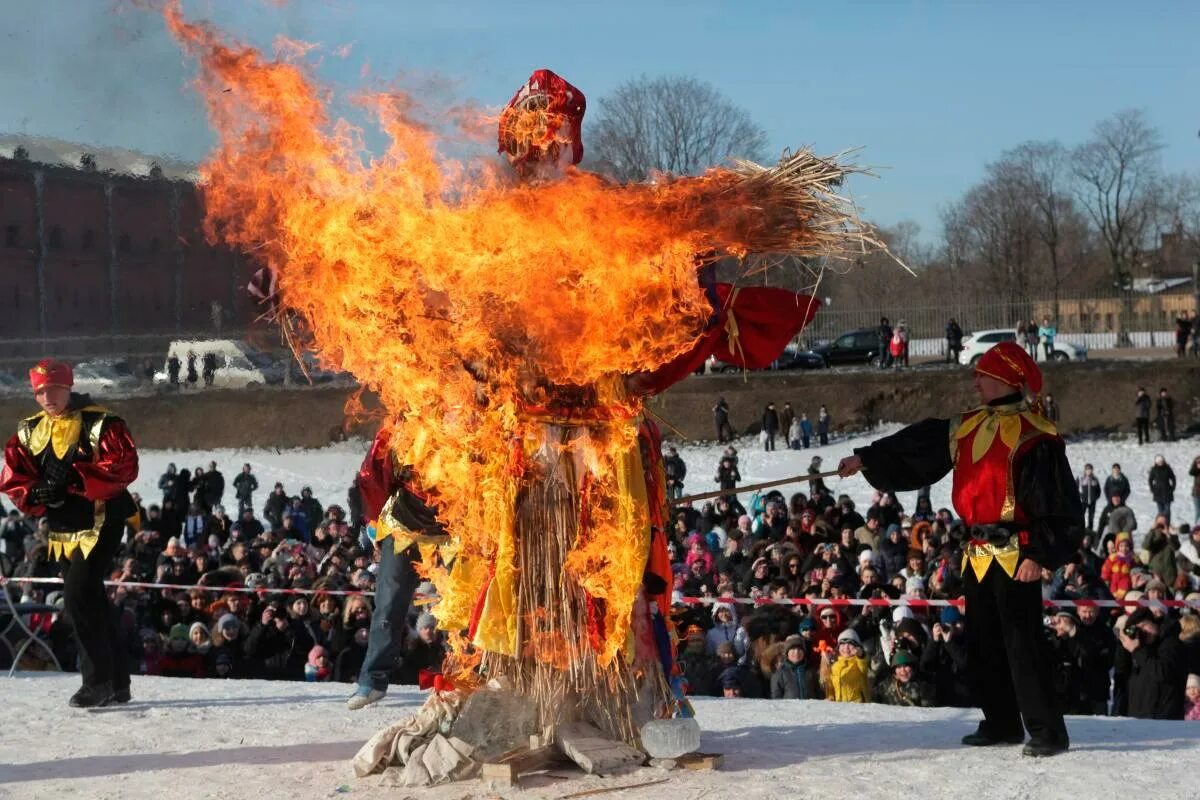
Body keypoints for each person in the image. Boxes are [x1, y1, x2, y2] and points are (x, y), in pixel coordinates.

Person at [839, 341, 1080, 757]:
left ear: (1004, 379)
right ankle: (1000, 722)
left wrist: (1039, 555)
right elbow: (918, 445)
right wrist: (867, 458)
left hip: (1016, 552)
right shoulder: (965, 426)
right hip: (977, 552)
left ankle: (1046, 731)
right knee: (984, 642)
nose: (976, 380)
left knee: (1023, 644)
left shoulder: (1034, 435)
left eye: (983, 374)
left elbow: (1055, 502)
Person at [0, 359, 139, 707]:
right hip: (63, 530)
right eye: (41, 391)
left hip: (101, 520)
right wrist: (36, 492)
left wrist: (76, 480)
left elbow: (123, 466)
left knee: (77, 594)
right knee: (91, 597)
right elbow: (15, 476)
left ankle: (97, 682)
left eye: (54, 389)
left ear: (68, 387)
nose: (48, 397)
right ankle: (118, 681)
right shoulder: (29, 431)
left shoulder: (100, 422)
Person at [346, 427, 444, 710]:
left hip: (452, 528)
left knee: (465, 606)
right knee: (388, 605)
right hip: (403, 527)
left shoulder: (462, 420)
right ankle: (372, 681)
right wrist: (373, 524)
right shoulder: (400, 428)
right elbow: (374, 478)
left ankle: (469, 678)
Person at [1120, 607, 1186, 720]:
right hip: (1139, 716)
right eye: (1138, 629)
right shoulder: (1141, 648)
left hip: (1165, 717)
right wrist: (1123, 643)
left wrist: (1137, 651)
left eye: (1145, 625)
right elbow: (1121, 669)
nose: (1143, 631)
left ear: (1154, 622)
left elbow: (1162, 672)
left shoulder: (1171, 643)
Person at [1148, 455, 1176, 524]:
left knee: (1167, 511)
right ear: (1156, 462)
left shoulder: (1168, 468)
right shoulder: (1154, 469)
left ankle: (1167, 525)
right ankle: (1160, 526)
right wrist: (1152, 489)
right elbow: (1150, 480)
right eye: (1159, 461)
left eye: (1162, 461)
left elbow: (1173, 478)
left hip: (1167, 492)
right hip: (1158, 493)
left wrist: (1172, 488)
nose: (1161, 463)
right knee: (1160, 511)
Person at [1078, 463, 1101, 531]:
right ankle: (1080, 529)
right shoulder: (1080, 478)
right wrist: (1080, 497)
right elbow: (1075, 489)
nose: (1089, 471)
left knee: (1091, 517)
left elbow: (1098, 490)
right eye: (1087, 469)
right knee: (1081, 516)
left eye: (1090, 469)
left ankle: (1090, 530)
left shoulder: (1095, 479)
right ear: (1085, 470)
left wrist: (1095, 497)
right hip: (1083, 502)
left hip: (1092, 502)